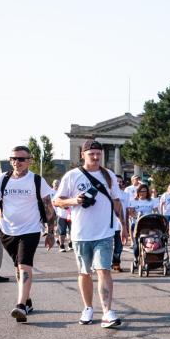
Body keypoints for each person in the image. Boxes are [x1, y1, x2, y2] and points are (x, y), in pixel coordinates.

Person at [54, 139, 127, 328]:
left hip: (104, 232)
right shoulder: (72, 176)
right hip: (80, 233)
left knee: (104, 270)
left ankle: (107, 312)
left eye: (98, 154)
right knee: (85, 272)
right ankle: (87, 308)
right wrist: (74, 201)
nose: (95, 157)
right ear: (83, 155)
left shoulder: (109, 175)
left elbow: (117, 202)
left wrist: (124, 226)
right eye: (91, 154)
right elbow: (57, 201)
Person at [0, 147, 55, 322]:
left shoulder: (37, 180)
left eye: (21, 159)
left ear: (30, 160)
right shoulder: (1, 179)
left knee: (24, 265)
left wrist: (50, 232)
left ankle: (20, 305)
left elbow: (48, 208)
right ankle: (27, 300)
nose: (17, 162)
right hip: (7, 230)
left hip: (31, 229)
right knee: (17, 266)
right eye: (13, 159)